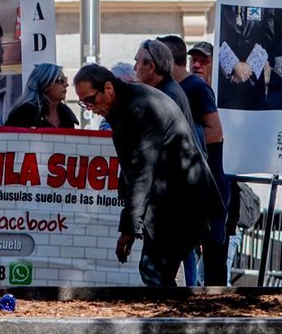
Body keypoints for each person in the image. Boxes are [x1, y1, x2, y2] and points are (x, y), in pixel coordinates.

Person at [73, 64, 223, 286]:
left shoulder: (139, 108)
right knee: (156, 272)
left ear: (108, 88)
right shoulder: (129, 104)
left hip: (182, 202)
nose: (90, 109)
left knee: (154, 271)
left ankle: (171, 320)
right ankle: (173, 319)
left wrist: (129, 228)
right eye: (83, 103)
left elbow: (142, 172)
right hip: (174, 201)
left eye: (90, 100)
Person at [157, 35, 229, 286]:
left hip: (207, 182)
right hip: (182, 186)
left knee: (212, 249)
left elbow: (215, 132)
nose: (197, 64)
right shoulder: (168, 89)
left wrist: (181, 148)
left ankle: (217, 312)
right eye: (193, 59)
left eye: (203, 60)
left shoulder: (197, 88)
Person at [5, 63, 78, 129]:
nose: (66, 84)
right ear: (45, 85)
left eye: (65, 80)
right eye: (60, 80)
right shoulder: (24, 114)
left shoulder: (66, 115)